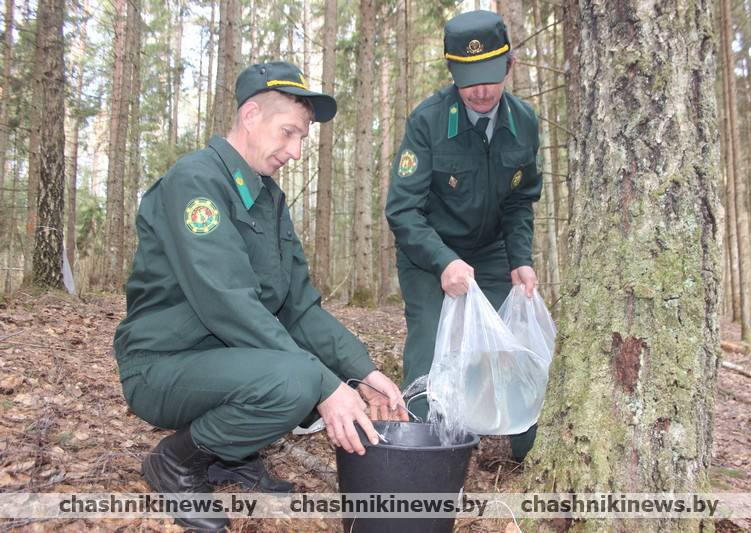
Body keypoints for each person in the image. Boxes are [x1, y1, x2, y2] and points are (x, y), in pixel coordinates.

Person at [114, 60, 407, 532]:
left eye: (301, 140)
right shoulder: (196, 181)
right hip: (162, 365)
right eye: (287, 133)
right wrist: (326, 385)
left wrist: (362, 371)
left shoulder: (268, 198)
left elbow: (299, 306)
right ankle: (176, 462)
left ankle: (227, 458)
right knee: (297, 380)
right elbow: (226, 301)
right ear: (250, 115)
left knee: (313, 375)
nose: (294, 152)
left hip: (225, 362)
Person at [385, 10, 542, 462]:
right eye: (469, 77)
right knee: (431, 350)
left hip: (492, 251)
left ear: (509, 66)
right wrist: (442, 261)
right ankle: (425, 458)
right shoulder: (429, 121)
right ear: (452, 72)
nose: (480, 90)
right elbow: (402, 209)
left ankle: (524, 455)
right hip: (428, 252)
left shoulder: (524, 123)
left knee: (505, 352)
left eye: (490, 76)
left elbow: (519, 200)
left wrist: (521, 258)